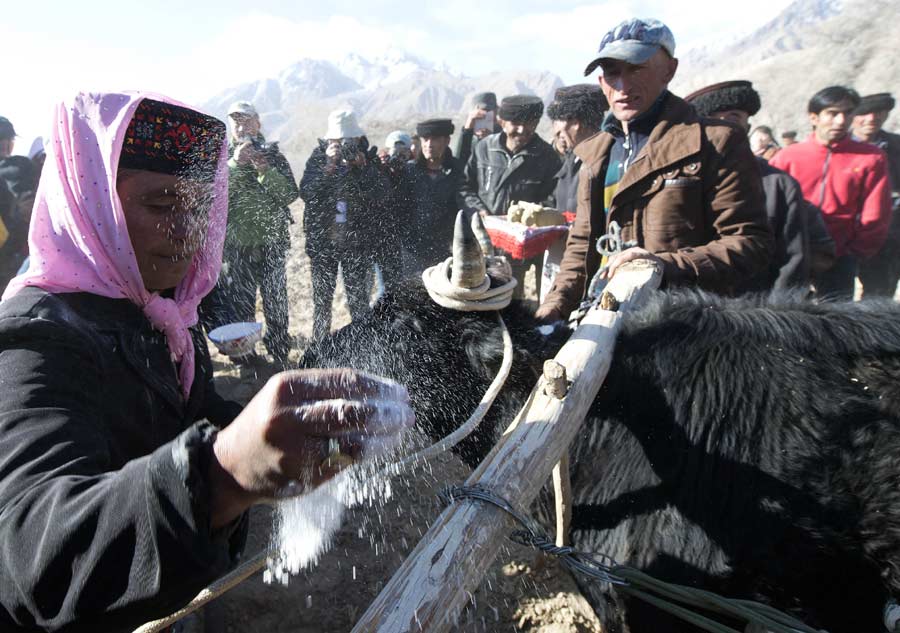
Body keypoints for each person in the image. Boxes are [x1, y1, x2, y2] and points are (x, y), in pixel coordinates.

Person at [0, 92, 413, 632]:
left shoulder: (157, 308)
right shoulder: (35, 340)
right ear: (89, 203)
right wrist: (222, 476)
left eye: (199, 207)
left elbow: (181, 417)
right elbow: (29, 557)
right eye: (159, 205)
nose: (188, 231)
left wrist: (280, 429)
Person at [537, 18, 773, 323]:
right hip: (603, 316)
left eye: (636, 68)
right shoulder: (595, 154)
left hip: (683, 325)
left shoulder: (716, 142)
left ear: (669, 70)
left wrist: (663, 266)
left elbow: (750, 244)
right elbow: (581, 247)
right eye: (612, 72)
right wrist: (555, 305)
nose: (623, 86)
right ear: (601, 83)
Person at [685, 79, 814, 290]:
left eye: (734, 117)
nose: (723, 128)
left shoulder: (779, 185)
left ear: (748, 127)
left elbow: (791, 264)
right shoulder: (680, 183)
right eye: (712, 120)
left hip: (754, 311)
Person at [771, 86, 892, 300]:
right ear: (814, 117)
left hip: (841, 254)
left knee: (836, 318)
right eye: (832, 113)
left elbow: (876, 212)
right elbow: (771, 203)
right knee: (787, 315)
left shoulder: (871, 158)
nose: (840, 120)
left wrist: (856, 251)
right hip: (791, 253)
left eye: (847, 113)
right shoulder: (787, 157)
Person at [210, 101, 299, 366]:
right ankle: (247, 364)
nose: (241, 126)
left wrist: (264, 170)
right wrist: (236, 164)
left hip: (272, 245)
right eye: (236, 122)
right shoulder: (222, 157)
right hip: (238, 249)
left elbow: (289, 195)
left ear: (258, 124)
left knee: (276, 306)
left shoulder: (272, 154)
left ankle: (280, 356)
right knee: (241, 307)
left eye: (246, 121)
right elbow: (215, 194)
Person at [300, 109, 390, 340]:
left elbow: (381, 193)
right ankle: (320, 347)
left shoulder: (367, 159)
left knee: (359, 302)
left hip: (357, 244)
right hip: (323, 244)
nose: (342, 145)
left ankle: (363, 345)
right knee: (322, 303)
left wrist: (363, 169)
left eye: (346, 140)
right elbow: (307, 192)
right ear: (329, 140)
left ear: (358, 139)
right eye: (337, 141)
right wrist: (327, 169)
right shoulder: (318, 158)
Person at [460, 94, 561, 298]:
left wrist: (529, 218)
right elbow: (464, 187)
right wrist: (478, 211)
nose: (522, 130)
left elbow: (552, 198)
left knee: (512, 298)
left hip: (521, 247)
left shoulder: (546, 156)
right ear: (502, 121)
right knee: (480, 297)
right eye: (516, 123)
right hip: (484, 241)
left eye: (530, 123)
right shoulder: (484, 148)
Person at [852, 92, 900, 298]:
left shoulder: (896, 145)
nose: (872, 118)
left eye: (879, 112)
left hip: (891, 231)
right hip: (846, 229)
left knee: (880, 292)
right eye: (865, 113)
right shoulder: (839, 147)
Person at [403, 118, 464, 273]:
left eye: (435, 139)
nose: (429, 144)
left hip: (446, 250)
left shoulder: (458, 171)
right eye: (425, 139)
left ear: (447, 141)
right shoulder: (409, 171)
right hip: (413, 250)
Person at [547, 84, 608, 216]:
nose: (558, 130)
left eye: (560, 119)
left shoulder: (604, 161)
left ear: (576, 123)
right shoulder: (572, 157)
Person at [0, 117, 36, 288]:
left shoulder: (23, 165)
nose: (5, 144)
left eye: (9, 139)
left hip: (22, 244)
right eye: (1, 138)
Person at [455, 91, 502, 167]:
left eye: (487, 115)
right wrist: (467, 130)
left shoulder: (502, 137)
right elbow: (458, 164)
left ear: (495, 113)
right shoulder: (468, 139)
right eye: (478, 117)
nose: (483, 120)